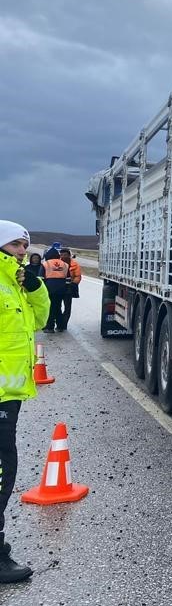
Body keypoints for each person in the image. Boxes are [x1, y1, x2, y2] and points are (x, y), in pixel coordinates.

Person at [0, 220, 50, 583]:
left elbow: (40, 320)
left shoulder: (15, 283)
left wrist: (34, 288)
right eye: (17, 245)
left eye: (24, 245)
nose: (23, 252)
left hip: (10, 393)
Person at [41, 248, 69, 333]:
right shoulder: (64, 264)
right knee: (58, 306)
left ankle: (50, 327)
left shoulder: (46, 263)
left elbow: (41, 277)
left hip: (49, 287)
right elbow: (68, 278)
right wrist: (66, 288)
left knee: (50, 307)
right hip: (61, 288)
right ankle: (60, 326)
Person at [57, 249, 81, 331]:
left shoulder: (75, 264)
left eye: (65, 254)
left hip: (69, 288)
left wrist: (74, 284)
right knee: (57, 306)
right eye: (62, 254)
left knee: (67, 307)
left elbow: (78, 276)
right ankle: (59, 323)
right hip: (58, 288)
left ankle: (64, 324)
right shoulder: (57, 263)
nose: (63, 256)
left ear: (69, 255)